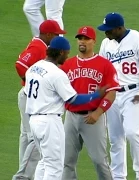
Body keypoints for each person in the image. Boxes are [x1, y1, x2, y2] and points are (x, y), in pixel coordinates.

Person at [24, 36, 107, 180]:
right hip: (49, 122)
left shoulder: (33, 68)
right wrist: (96, 95)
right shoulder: (56, 73)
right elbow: (73, 99)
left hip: (34, 120)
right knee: (55, 167)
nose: (68, 56)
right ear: (61, 52)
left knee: (44, 161)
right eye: (67, 53)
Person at [97, 12, 139, 180]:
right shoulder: (106, 44)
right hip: (113, 94)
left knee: (132, 132)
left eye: (108, 30)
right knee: (115, 139)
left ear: (119, 28)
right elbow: (103, 68)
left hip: (134, 92)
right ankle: (118, 176)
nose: (106, 33)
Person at [60, 26, 119, 180]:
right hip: (71, 117)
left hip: (93, 118)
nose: (82, 41)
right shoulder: (68, 64)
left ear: (94, 41)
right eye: (80, 38)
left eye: (86, 39)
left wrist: (98, 113)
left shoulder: (105, 65)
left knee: (100, 161)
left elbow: (111, 92)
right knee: (66, 162)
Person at [14, 20, 66, 180]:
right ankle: (23, 175)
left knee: (27, 135)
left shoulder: (42, 45)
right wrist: (30, 83)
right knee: (32, 138)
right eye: (56, 34)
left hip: (32, 95)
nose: (58, 37)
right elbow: (20, 64)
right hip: (30, 96)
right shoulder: (38, 46)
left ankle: (26, 172)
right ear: (48, 34)